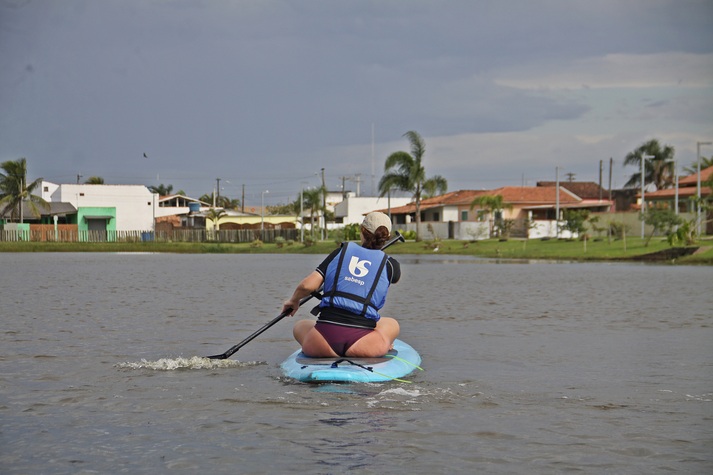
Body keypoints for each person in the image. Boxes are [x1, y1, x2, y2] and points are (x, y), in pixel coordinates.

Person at [282, 212, 401, 358]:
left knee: (300, 326)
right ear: (386, 237)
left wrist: (294, 300)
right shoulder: (391, 265)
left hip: (321, 342)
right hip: (363, 345)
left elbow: (307, 286)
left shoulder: (340, 253)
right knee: (392, 324)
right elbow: (393, 278)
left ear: (362, 230)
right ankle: (383, 343)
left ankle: (324, 350)